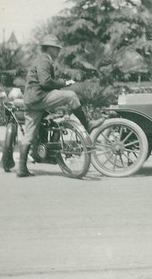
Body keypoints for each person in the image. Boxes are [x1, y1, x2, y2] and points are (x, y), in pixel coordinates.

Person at [18, 35, 101, 178]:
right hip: (39, 97)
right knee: (71, 96)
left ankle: (22, 168)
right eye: (56, 49)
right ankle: (87, 124)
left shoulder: (40, 59)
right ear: (49, 49)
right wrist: (63, 83)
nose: (58, 52)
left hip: (31, 101)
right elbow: (45, 82)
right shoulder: (44, 60)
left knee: (29, 135)